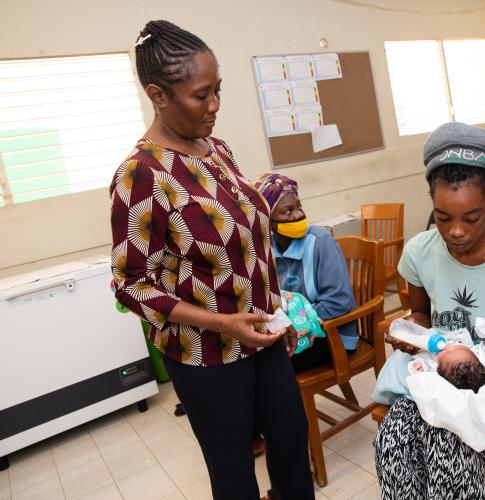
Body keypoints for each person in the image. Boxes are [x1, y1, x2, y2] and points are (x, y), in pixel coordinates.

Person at [110, 20, 314, 499]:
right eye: (201, 96)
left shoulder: (216, 150)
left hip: (262, 334)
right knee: (234, 471)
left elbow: (249, 242)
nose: (216, 105)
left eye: (218, 89)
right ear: (158, 95)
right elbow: (130, 284)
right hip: (207, 355)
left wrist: (278, 313)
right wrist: (222, 325)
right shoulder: (143, 174)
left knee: (290, 440)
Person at [374, 122, 485, 499]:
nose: (455, 231)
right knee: (392, 440)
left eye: (471, 218)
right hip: (441, 371)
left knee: (447, 441)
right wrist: (410, 330)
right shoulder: (420, 252)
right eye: (442, 217)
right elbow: (420, 314)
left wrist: (460, 383)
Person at [254, 173, 358, 372]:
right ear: (267, 220)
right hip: (293, 333)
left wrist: (292, 323)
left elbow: (339, 302)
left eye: (299, 207)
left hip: (330, 335)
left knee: (265, 366)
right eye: (288, 211)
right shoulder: (267, 249)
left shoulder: (319, 241)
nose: (298, 215)